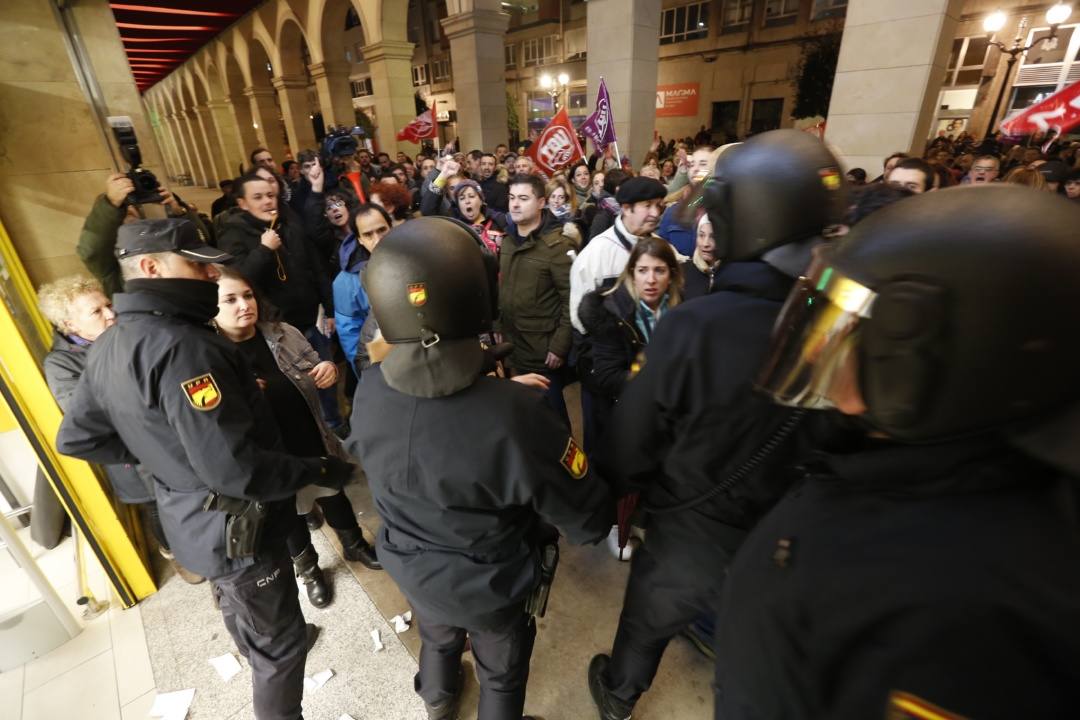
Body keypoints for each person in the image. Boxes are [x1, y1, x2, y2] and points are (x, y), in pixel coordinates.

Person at [717, 185, 1080, 718]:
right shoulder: (903, 472)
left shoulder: (967, 606)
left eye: (850, 337)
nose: (828, 361)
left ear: (923, 364)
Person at [586, 130, 848, 720]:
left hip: (692, 528)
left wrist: (621, 494)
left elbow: (631, 444)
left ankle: (618, 695)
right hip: (789, 539)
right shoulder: (833, 330)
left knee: (649, 618)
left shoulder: (695, 325)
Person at [56, 218, 353, 720]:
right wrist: (319, 468)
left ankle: (254, 643)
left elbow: (79, 436)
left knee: (243, 611)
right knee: (280, 651)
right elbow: (237, 472)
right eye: (195, 265)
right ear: (150, 267)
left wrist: (164, 458)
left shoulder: (110, 343)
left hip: (192, 517)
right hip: (242, 530)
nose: (210, 277)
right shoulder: (188, 348)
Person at [346, 217, 614, 720]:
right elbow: (588, 519)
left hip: (410, 566)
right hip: (489, 586)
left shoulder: (369, 389)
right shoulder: (516, 413)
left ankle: (437, 698)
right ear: (475, 297)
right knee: (501, 673)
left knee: (439, 636)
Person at [213, 267, 380, 608]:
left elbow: (316, 366)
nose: (244, 304)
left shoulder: (283, 333)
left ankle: (355, 545)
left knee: (333, 494)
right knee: (290, 516)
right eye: (230, 299)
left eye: (247, 295)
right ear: (211, 309)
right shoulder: (213, 356)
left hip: (310, 433)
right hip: (270, 454)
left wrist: (328, 370)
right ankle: (310, 570)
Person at [37, 275, 203, 584]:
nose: (110, 314)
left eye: (108, 304)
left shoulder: (125, 331)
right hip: (134, 452)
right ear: (70, 325)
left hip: (168, 437)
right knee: (157, 506)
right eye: (96, 312)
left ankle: (202, 548)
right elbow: (85, 414)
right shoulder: (60, 364)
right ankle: (174, 553)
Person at [216, 172, 345, 436]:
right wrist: (264, 250)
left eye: (271, 195)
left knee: (325, 375)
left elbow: (316, 267)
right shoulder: (234, 233)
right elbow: (238, 281)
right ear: (242, 203)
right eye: (258, 197)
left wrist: (329, 309)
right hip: (276, 329)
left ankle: (333, 426)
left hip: (312, 319)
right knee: (291, 391)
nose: (267, 201)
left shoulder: (289, 222)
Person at [577, 237, 682, 446]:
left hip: (671, 419)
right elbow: (608, 376)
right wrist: (662, 382)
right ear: (632, 274)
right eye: (642, 270)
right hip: (627, 415)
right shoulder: (612, 313)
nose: (650, 279)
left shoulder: (684, 311)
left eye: (659, 270)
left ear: (671, 276)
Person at [499, 174, 576, 424]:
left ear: (541, 202)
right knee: (522, 419)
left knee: (552, 420)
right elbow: (504, 290)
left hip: (542, 352)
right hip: (513, 346)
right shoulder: (508, 241)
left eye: (523, 198)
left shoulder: (557, 247)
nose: (515, 205)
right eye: (511, 198)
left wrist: (559, 346)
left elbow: (572, 301)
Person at [78, 173, 210, 298]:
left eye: (130, 205)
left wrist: (179, 212)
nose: (128, 210)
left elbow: (203, 247)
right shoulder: (109, 264)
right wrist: (111, 203)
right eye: (122, 207)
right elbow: (92, 249)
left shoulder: (158, 240)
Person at [570, 176, 667, 334]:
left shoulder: (663, 249)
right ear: (627, 208)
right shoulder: (597, 252)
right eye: (648, 206)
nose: (655, 213)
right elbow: (579, 319)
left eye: (658, 206)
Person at [334, 203, 392, 373]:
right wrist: (368, 377)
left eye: (382, 230)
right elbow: (350, 336)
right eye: (368, 234)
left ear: (391, 227)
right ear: (359, 239)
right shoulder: (345, 283)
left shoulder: (413, 259)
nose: (378, 239)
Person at [452, 180, 511, 257]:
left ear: (481, 201)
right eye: (462, 198)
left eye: (471, 196)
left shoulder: (500, 221)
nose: (467, 201)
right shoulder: (456, 229)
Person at [680, 214, 719, 300]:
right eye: (701, 235)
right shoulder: (682, 272)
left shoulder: (731, 272)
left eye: (713, 237)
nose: (706, 244)